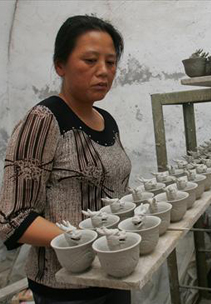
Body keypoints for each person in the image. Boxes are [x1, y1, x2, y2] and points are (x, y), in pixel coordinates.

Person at [0, 15, 132, 303]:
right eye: (90, 60)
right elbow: (13, 218)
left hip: (114, 274)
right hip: (66, 287)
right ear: (60, 65)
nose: (104, 71)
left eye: (111, 63)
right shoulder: (44, 120)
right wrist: (87, 239)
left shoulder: (106, 120)